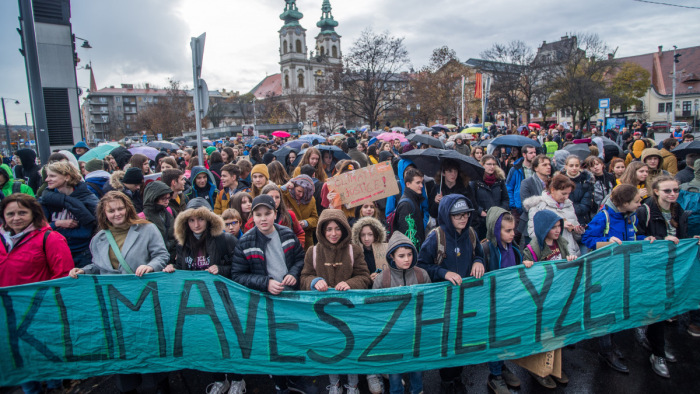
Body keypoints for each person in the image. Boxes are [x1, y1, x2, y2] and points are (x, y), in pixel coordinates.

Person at [68, 191, 169, 394]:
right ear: (104, 213)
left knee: (149, 344)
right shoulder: (98, 239)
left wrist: (151, 266)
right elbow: (98, 266)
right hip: (114, 304)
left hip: (143, 299)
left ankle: (158, 385)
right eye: (111, 210)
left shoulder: (147, 229)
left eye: (120, 208)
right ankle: (128, 386)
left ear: (128, 208)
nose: (117, 213)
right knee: (122, 347)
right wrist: (84, 271)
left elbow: (162, 254)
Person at [230, 194, 306, 394]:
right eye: (258, 214)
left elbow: (300, 259)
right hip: (265, 301)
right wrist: (265, 283)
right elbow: (237, 275)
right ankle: (279, 382)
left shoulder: (288, 234)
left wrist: (293, 274)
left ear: (275, 214)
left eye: (267, 213)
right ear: (252, 217)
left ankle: (294, 377)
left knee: (292, 338)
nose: (263, 218)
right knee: (272, 343)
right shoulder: (246, 242)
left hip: (289, 297)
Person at [0, 193, 72, 394]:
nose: (16, 218)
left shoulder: (49, 238)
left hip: (41, 312)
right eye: (10, 213)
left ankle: (54, 386)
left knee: (45, 354)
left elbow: (63, 274)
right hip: (7, 314)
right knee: (19, 356)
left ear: (33, 214)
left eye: (22, 212)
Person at [417, 195, 485, 393]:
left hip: (466, 300)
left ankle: (458, 376)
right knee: (447, 340)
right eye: (457, 216)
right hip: (443, 301)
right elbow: (422, 266)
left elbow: (479, 253)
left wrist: (478, 260)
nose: (463, 219)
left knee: (462, 340)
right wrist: (443, 273)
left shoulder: (471, 234)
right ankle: (446, 380)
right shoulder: (436, 237)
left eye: (465, 214)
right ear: (447, 215)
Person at [300, 209, 371, 394]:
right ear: (322, 231)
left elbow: (364, 277)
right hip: (324, 315)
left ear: (345, 230)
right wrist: (314, 282)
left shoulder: (354, 250)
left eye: (337, 229)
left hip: (349, 312)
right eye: (329, 229)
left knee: (351, 347)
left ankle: (353, 383)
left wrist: (350, 283)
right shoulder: (313, 252)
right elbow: (304, 277)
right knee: (329, 347)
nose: (333, 233)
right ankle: (334, 382)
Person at [636, 175, 690, 378]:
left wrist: (690, 241)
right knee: (657, 308)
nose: (673, 194)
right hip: (651, 268)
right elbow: (637, 236)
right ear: (656, 191)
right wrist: (660, 240)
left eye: (675, 190)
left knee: (666, 307)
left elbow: (680, 235)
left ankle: (654, 343)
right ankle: (658, 353)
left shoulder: (679, 209)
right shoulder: (645, 210)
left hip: (672, 265)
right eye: (668, 190)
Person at [520, 209, 576, 389]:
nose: (558, 230)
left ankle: (553, 368)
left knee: (557, 333)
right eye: (553, 227)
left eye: (559, 226)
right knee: (542, 335)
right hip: (542, 300)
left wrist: (571, 259)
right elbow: (528, 276)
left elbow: (567, 261)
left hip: (559, 296)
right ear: (544, 228)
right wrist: (528, 265)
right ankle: (539, 370)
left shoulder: (562, 242)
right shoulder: (533, 249)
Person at [372, 231, 429, 394]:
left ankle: (417, 390)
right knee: (395, 373)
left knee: (417, 369)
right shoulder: (382, 279)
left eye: (410, 254)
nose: (407, 259)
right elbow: (375, 309)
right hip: (392, 335)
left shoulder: (421, 274)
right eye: (401, 255)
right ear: (392, 257)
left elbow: (431, 303)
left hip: (415, 332)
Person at [480, 207, 524, 393]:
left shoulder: (513, 249)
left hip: (509, 303)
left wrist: (525, 265)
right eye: (507, 230)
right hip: (492, 305)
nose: (513, 234)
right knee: (494, 339)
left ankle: (502, 367)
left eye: (513, 230)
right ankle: (494, 375)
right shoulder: (485, 249)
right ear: (495, 229)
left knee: (505, 338)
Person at [40, 161, 99, 268]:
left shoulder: (87, 197)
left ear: (67, 177)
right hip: (56, 250)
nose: (47, 179)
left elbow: (96, 224)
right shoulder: (46, 199)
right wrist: (57, 223)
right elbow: (39, 226)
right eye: (48, 176)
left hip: (83, 252)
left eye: (52, 176)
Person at [523, 174, 583, 257]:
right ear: (552, 190)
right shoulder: (539, 206)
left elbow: (575, 236)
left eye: (568, 194)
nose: (566, 197)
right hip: (552, 255)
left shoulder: (569, 205)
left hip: (572, 253)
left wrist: (577, 231)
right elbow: (534, 234)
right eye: (563, 193)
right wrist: (559, 225)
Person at [471, 155, 509, 240]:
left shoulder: (500, 179)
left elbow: (505, 198)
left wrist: (501, 211)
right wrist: (480, 211)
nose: (492, 167)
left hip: (497, 219)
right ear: (482, 164)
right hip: (481, 221)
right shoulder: (475, 180)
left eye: (493, 164)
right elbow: (471, 200)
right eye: (488, 164)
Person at [517, 155, 552, 247]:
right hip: (531, 224)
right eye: (544, 165)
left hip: (550, 224)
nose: (548, 167)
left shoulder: (553, 182)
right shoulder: (527, 182)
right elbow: (525, 206)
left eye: (549, 164)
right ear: (536, 168)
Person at [139, 181, 176, 265]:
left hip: (172, 261)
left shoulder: (169, 211)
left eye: (168, 198)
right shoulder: (142, 218)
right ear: (153, 198)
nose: (167, 201)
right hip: (153, 262)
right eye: (163, 199)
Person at [506, 144, 537, 241]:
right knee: (516, 234)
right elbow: (509, 187)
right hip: (519, 206)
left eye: (535, 152)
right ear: (524, 154)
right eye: (531, 153)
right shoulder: (515, 169)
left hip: (535, 204)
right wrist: (513, 204)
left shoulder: (537, 168)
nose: (534, 155)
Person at [282, 174, 318, 250]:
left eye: (305, 193)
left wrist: (306, 223)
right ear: (294, 186)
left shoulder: (312, 200)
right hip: (287, 239)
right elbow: (274, 192)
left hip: (306, 241)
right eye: (299, 191)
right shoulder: (285, 195)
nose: (301, 195)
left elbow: (315, 219)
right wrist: (285, 187)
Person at [394, 167, 426, 249]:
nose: (421, 186)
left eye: (421, 182)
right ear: (408, 184)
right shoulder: (406, 205)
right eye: (418, 183)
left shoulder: (413, 199)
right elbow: (407, 234)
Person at [561, 155, 595, 225]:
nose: (574, 168)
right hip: (564, 218)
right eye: (571, 166)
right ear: (566, 167)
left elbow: (586, 205)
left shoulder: (587, 181)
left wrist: (569, 208)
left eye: (576, 165)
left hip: (582, 220)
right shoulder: (560, 182)